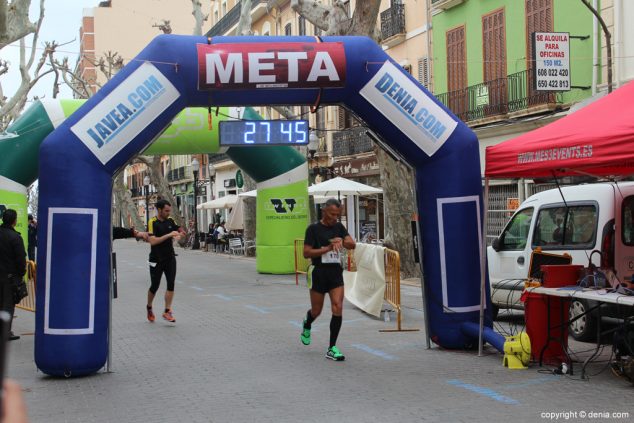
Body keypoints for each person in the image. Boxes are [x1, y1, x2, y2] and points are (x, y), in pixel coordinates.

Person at [300, 199, 355, 361]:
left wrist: (343, 241)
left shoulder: (339, 227)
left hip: (335, 273)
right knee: (316, 311)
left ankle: (332, 347)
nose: (334, 218)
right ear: (324, 211)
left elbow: (352, 244)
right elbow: (306, 253)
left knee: (337, 307)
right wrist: (328, 248)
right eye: (332, 214)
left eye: (338, 215)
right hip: (318, 272)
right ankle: (307, 323)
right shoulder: (313, 229)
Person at [146, 199, 185, 323]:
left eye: (169, 210)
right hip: (156, 259)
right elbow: (152, 241)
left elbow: (180, 229)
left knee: (171, 283)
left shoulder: (170, 220)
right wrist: (169, 235)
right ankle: (149, 307)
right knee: (155, 285)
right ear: (159, 210)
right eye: (166, 211)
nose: (168, 213)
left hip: (170, 257)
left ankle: (167, 311)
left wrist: (180, 234)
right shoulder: (153, 222)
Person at [0, 210, 26, 341]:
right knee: (8, 305)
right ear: (14, 221)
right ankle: (5, 331)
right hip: (10, 277)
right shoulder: (15, 237)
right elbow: (21, 259)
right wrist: (22, 273)